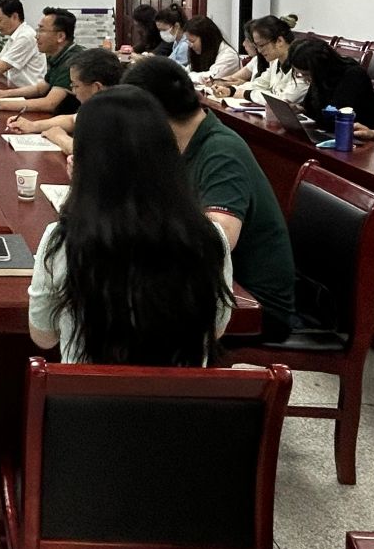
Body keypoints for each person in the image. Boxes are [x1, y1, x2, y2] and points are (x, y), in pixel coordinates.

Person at [27, 87, 232, 364]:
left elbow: (43, 337)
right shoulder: (209, 237)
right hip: (182, 392)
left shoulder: (64, 239)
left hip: (84, 392)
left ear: (86, 163)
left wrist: (82, 191)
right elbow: (216, 330)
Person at [125, 57, 298, 340]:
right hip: (207, 282)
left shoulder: (221, 151)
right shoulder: (179, 142)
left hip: (252, 301)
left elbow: (218, 239)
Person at [13, 47, 122, 155]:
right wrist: (32, 126)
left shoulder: (120, 113)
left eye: (75, 85)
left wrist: (60, 137)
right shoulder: (99, 105)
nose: (73, 92)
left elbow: (91, 155)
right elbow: (72, 120)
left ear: (96, 87)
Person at [0, 8, 86, 118]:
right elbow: (40, 89)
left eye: (42, 31)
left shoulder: (73, 60)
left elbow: (49, 104)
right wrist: (4, 94)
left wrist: (1, 104)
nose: (36, 36)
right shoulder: (58, 56)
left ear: (60, 37)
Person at [287, 37, 374, 127]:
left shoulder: (353, 75)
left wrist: (310, 115)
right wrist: (299, 109)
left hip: (355, 132)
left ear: (319, 68)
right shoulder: (321, 76)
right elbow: (310, 107)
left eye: (306, 74)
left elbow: (335, 117)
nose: (305, 79)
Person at [224, 15, 306, 105]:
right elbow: (259, 83)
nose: (259, 51)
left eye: (261, 45)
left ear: (279, 41)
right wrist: (231, 90)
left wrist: (248, 94)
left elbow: (283, 101)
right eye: (256, 46)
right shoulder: (275, 63)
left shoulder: (302, 66)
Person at [187, 16, 241, 83]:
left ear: (206, 39)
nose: (190, 45)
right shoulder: (203, 53)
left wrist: (187, 76)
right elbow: (188, 70)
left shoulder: (229, 56)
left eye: (192, 41)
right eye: (188, 41)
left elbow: (210, 78)